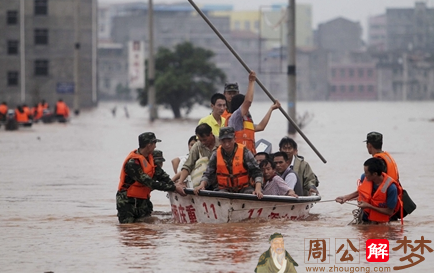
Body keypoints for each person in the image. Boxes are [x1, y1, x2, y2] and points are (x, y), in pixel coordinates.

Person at [116, 132, 186, 224]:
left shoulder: (150, 159)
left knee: (146, 231)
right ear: (149, 145)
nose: (155, 146)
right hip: (128, 202)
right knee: (129, 230)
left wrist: (174, 184)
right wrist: (174, 188)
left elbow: (161, 175)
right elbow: (149, 182)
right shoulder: (132, 163)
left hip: (143, 201)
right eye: (154, 144)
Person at [194, 127, 263, 198]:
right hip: (224, 189)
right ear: (220, 141)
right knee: (220, 195)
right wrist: (202, 185)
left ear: (234, 139)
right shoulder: (216, 154)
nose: (227, 144)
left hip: (244, 188)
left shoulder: (245, 152)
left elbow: (257, 172)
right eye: (224, 141)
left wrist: (258, 189)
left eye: (229, 140)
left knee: (250, 194)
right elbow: (208, 174)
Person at [335, 158, 403, 224]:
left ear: (375, 174)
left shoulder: (391, 188)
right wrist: (346, 198)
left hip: (381, 223)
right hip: (365, 216)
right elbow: (362, 191)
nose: (364, 174)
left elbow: (389, 212)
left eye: (366, 172)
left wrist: (369, 206)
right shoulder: (365, 177)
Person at [227, 71, 281, 154]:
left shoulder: (246, 121)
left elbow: (260, 127)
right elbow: (248, 101)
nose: (248, 108)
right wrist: (251, 81)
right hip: (238, 158)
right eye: (246, 106)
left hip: (249, 158)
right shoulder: (235, 118)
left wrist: (271, 109)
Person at [173, 124, 219, 188]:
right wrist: (180, 182)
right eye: (200, 140)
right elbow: (188, 165)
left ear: (211, 134)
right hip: (204, 181)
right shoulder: (197, 146)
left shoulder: (221, 143)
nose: (203, 142)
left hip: (221, 180)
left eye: (205, 140)